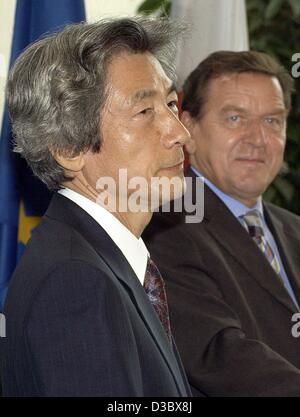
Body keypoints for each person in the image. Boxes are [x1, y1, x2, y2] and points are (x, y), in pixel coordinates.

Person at [0, 17, 193, 397]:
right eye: (144, 112)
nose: (179, 132)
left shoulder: (100, 261)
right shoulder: (75, 282)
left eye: (170, 103)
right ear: (69, 150)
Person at [143, 50, 300, 396]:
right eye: (235, 118)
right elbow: (218, 355)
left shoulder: (293, 229)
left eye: (272, 121)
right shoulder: (162, 225)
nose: (258, 139)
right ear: (188, 128)